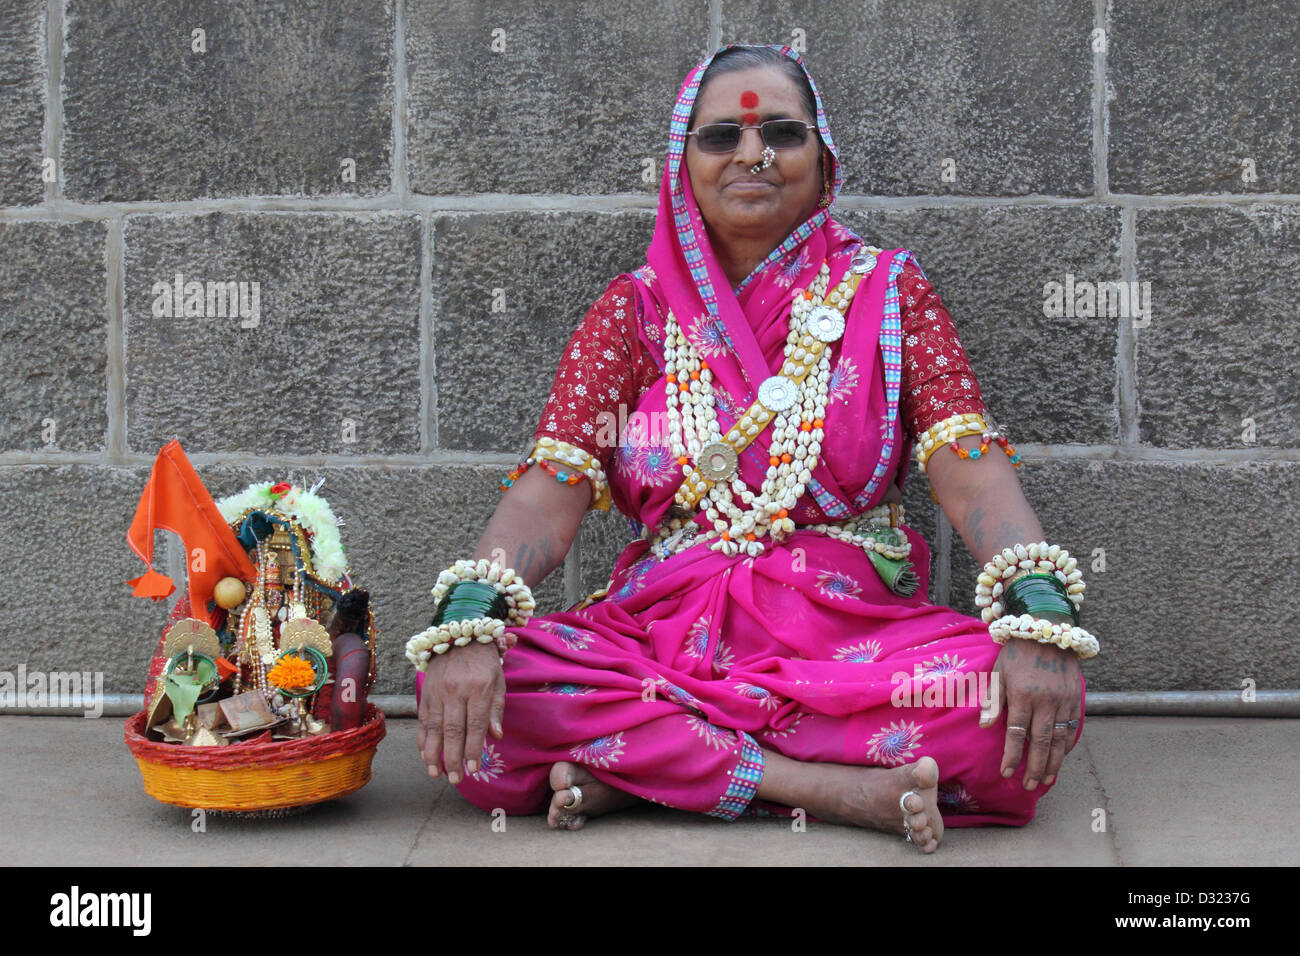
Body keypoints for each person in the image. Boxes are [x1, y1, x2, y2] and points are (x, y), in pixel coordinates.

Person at [411, 43, 1095, 854]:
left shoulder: (887, 293)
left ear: (822, 155)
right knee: (470, 694)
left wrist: (1037, 613)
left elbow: (968, 466)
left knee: (1007, 707)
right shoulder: (635, 312)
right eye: (720, 138)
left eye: (782, 132)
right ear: (683, 160)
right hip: (660, 635)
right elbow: (551, 485)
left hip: (847, 636)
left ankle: (645, 772)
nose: (752, 155)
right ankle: (823, 789)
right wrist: (471, 620)